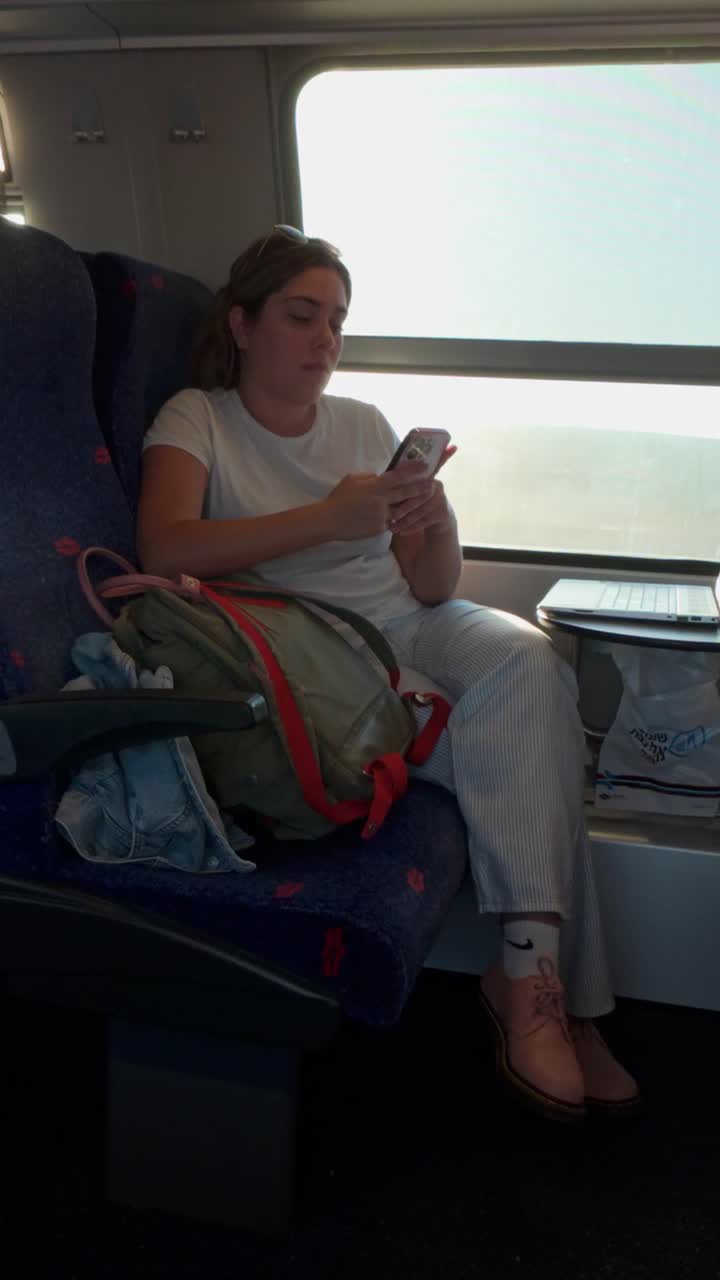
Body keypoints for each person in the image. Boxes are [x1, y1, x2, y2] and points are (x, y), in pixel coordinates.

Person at [137, 225, 640, 1124]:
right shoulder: (197, 417)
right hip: (317, 645)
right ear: (243, 324)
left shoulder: (363, 422)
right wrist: (326, 520)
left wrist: (436, 521)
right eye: (301, 317)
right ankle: (555, 1000)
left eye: (337, 321)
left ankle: (532, 985)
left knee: (531, 661)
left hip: (412, 621)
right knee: (530, 745)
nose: (325, 339)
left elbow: (432, 587)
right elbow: (165, 547)